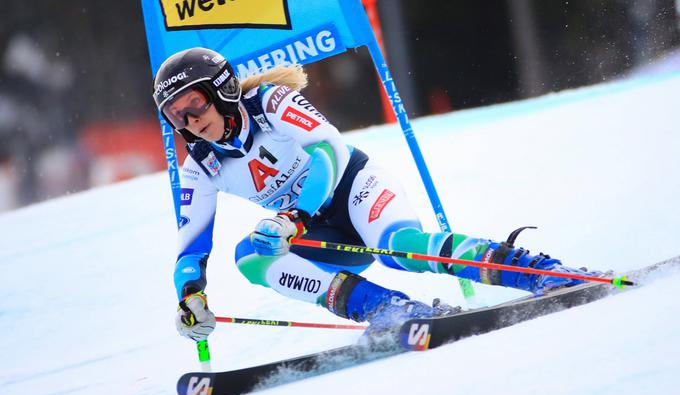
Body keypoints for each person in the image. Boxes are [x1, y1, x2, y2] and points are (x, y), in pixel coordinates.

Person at [152, 47, 593, 343]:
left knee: (402, 251)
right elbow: (191, 247)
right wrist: (190, 297)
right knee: (250, 255)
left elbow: (329, 151)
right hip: (315, 230)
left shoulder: (270, 103)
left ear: (222, 90)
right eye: (175, 115)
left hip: (354, 189)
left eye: (194, 105)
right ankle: (390, 310)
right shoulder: (200, 167)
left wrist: (296, 216)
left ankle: (538, 271)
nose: (188, 121)